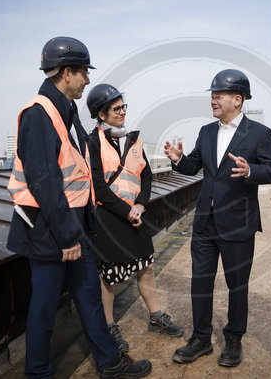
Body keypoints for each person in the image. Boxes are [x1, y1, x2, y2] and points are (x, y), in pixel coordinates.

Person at [6, 37, 151, 379]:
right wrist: (68, 235)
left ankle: (109, 363)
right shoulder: (39, 114)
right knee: (44, 309)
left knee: (88, 297)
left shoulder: (66, 112)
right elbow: (44, 183)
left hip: (74, 226)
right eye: (84, 72)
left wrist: (78, 230)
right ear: (67, 72)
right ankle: (38, 373)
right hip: (49, 228)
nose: (88, 80)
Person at [164, 69, 271, 367]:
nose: (213, 100)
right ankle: (201, 338)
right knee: (200, 282)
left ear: (237, 100)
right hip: (205, 222)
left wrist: (251, 171)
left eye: (219, 95)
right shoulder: (206, 132)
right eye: (212, 95)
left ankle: (233, 340)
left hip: (239, 224)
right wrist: (178, 160)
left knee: (236, 285)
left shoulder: (259, 134)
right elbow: (194, 167)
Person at [86, 83, 184, 352]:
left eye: (123, 107)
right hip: (108, 217)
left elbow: (146, 175)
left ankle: (156, 317)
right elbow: (98, 184)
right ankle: (109, 328)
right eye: (116, 109)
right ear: (101, 115)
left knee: (146, 266)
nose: (122, 113)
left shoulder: (133, 139)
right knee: (109, 276)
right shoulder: (92, 142)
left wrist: (140, 205)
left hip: (135, 214)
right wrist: (126, 210)